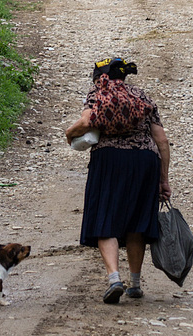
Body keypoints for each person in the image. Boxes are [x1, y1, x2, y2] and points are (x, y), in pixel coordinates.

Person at [65, 57, 171, 304]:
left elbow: (85, 122)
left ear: (99, 75)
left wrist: (69, 135)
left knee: (105, 218)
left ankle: (114, 279)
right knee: (137, 220)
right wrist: (163, 179)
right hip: (145, 161)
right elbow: (162, 140)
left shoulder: (98, 92)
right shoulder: (141, 96)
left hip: (109, 160)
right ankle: (135, 284)